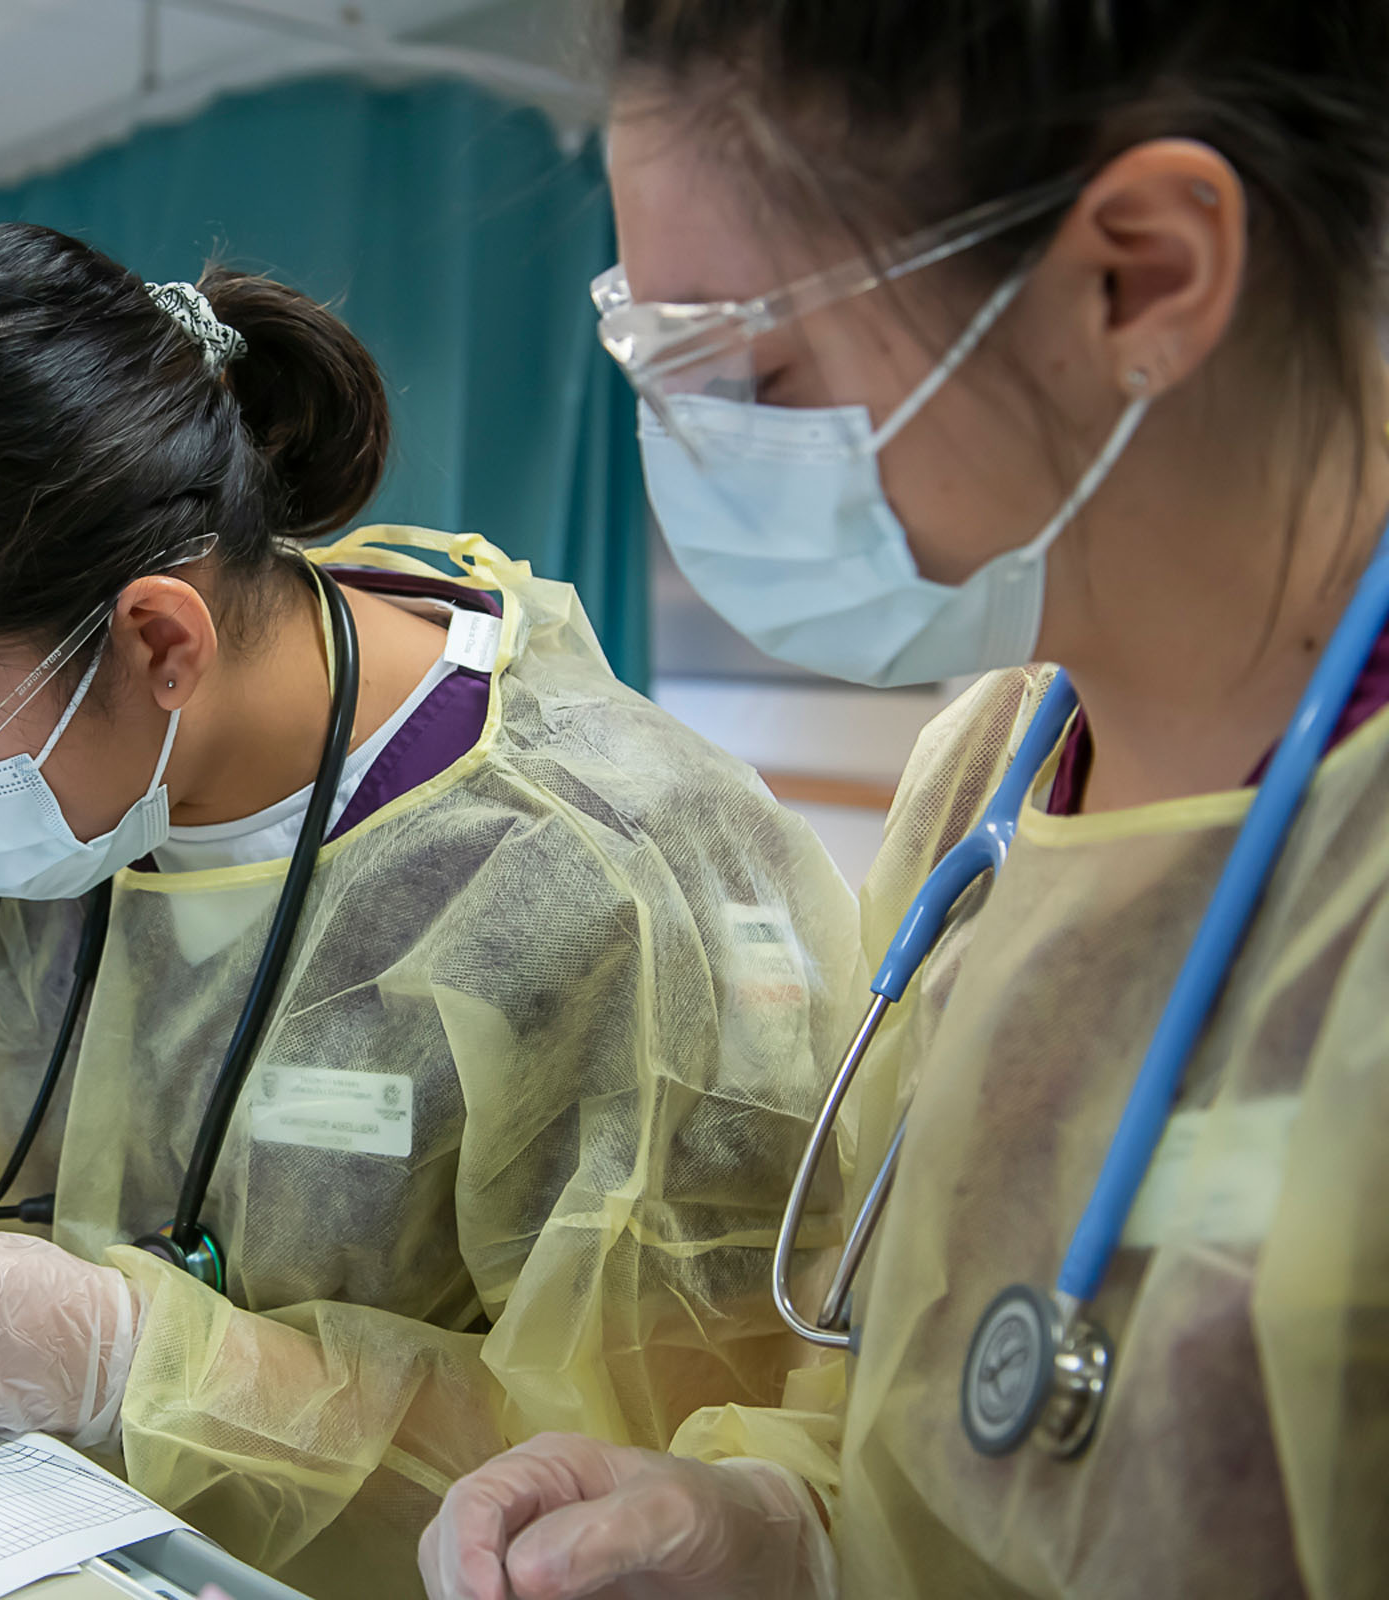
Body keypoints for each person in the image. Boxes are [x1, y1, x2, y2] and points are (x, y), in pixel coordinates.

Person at [0, 223, 863, 1598]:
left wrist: (139, 1362)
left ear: (156, 641)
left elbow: (638, 1489)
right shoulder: (37, 779)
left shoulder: (603, 880)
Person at [421, 4, 1389, 1597]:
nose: (700, 446)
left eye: (745, 366)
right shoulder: (989, 777)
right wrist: (773, 1526)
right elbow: (921, 1413)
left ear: (1135, 274)